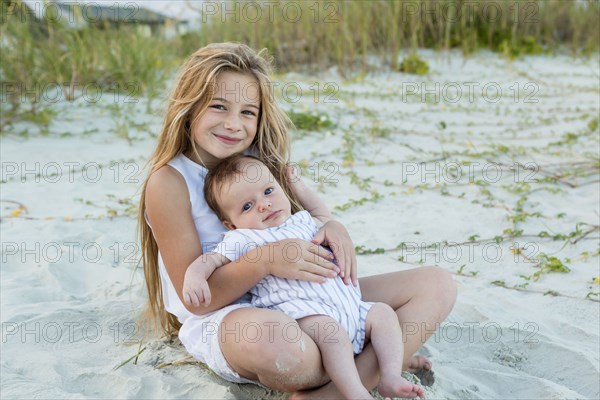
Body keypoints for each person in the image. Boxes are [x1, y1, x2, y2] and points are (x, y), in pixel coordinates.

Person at [138, 42, 457, 398]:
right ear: (189, 105)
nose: (233, 123)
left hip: (307, 297)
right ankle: (372, 364)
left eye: (248, 112)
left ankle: (338, 389)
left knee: (436, 284)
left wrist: (333, 227)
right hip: (231, 317)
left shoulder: (257, 161)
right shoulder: (169, 182)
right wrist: (264, 261)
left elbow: (302, 222)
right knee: (279, 347)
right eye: (218, 107)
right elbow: (199, 301)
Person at [183, 154, 425, 399]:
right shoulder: (244, 238)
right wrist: (195, 274)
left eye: (268, 191)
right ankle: (356, 392)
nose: (263, 205)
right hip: (305, 314)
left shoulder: (302, 220)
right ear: (231, 225)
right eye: (247, 206)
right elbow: (212, 259)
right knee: (332, 333)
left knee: (383, 313)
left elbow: (322, 213)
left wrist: (298, 186)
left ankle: (390, 376)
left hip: (351, 308)